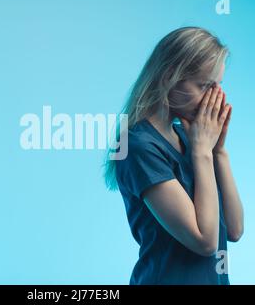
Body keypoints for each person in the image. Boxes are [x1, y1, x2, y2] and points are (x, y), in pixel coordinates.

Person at [104, 27, 244, 285]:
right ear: (170, 77)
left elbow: (234, 229)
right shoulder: (137, 145)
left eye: (218, 86)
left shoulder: (192, 139)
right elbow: (204, 241)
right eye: (204, 85)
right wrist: (202, 152)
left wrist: (218, 151)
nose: (215, 98)